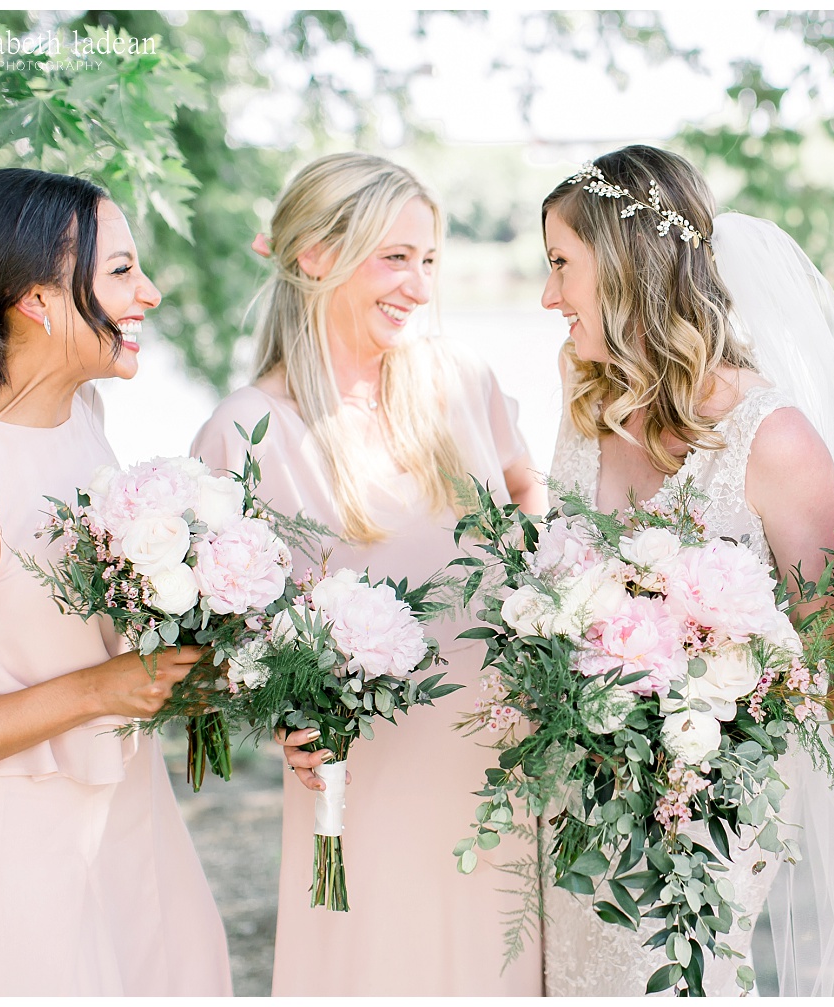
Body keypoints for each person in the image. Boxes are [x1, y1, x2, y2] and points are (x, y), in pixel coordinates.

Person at [190, 152, 545, 996]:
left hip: (504, 765)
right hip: (367, 778)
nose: (419, 287)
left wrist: (544, 597)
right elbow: (223, 642)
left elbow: (529, 488)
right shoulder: (246, 430)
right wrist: (283, 716)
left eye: (428, 261)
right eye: (396, 257)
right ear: (315, 254)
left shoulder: (461, 381)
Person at [538, 144, 834, 996]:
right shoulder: (585, 402)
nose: (548, 297)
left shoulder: (775, 440)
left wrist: (707, 696)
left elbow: (833, 672)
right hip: (570, 796)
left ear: (622, 267)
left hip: (702, 815)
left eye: (560, 266)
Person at [0, 168, 231, 995]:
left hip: (131, 820)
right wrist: (99, 690)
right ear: (37, 300)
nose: (151, 292)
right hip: (13, 858)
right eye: (122, 271)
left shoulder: (85, 419)